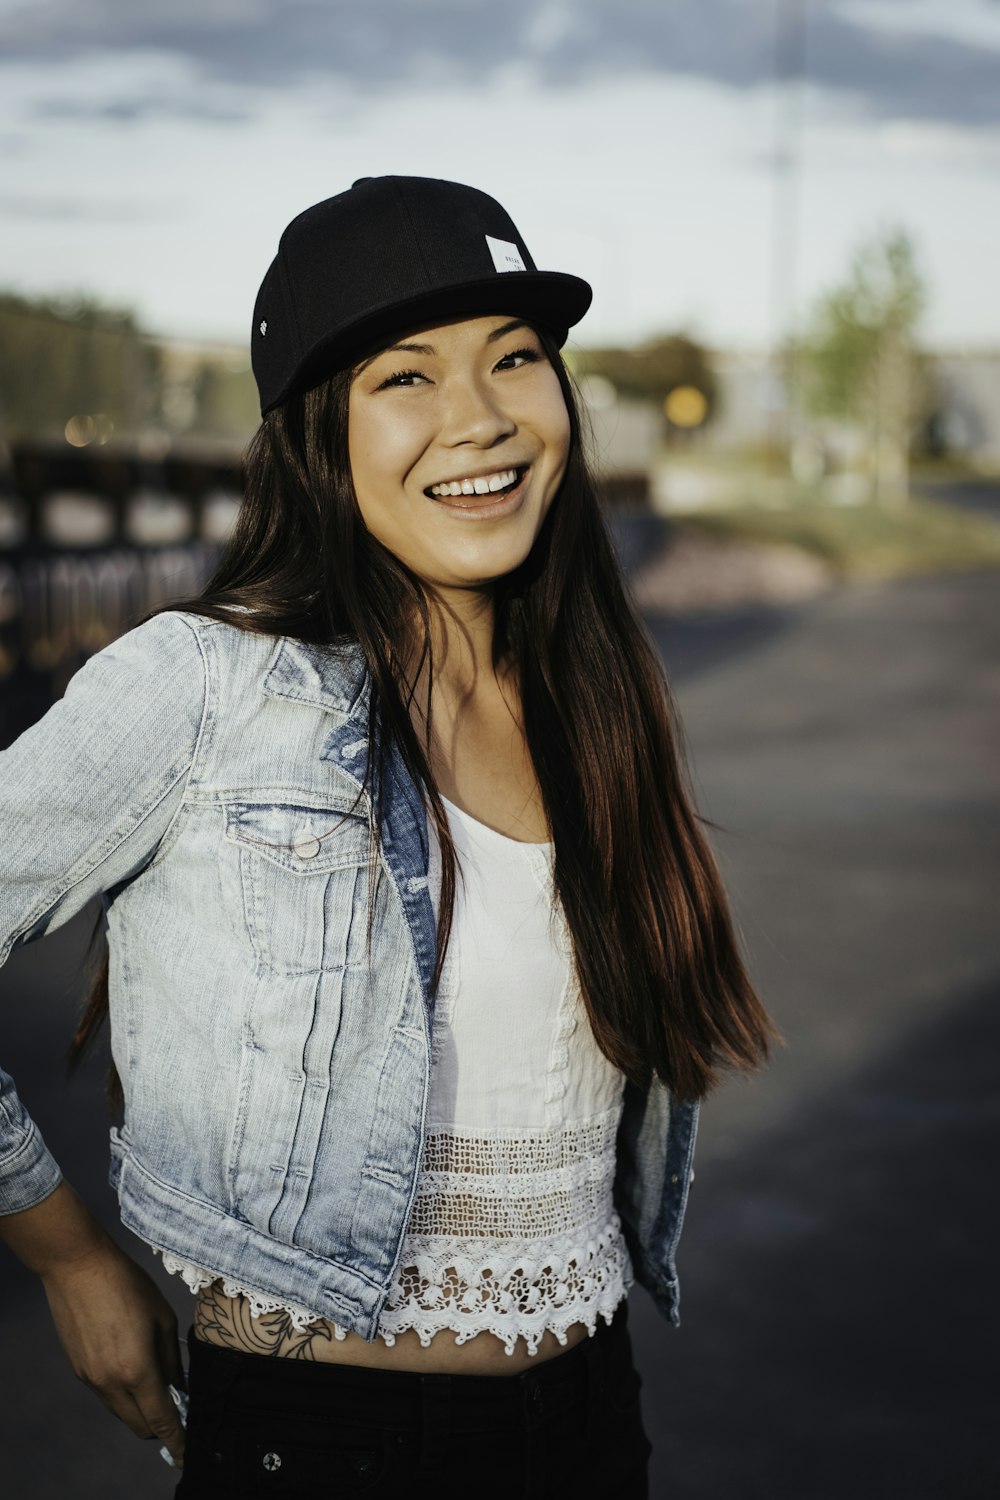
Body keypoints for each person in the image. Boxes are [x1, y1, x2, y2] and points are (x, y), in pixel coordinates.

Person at [0, 175, 780, 1498]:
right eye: (405, 378)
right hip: (323, 1446)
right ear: (320, 433)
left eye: (516, 359)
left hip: (592, 1426)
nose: (480, 418)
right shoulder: (211, 686)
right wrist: (67, 1256)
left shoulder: (598, 697)